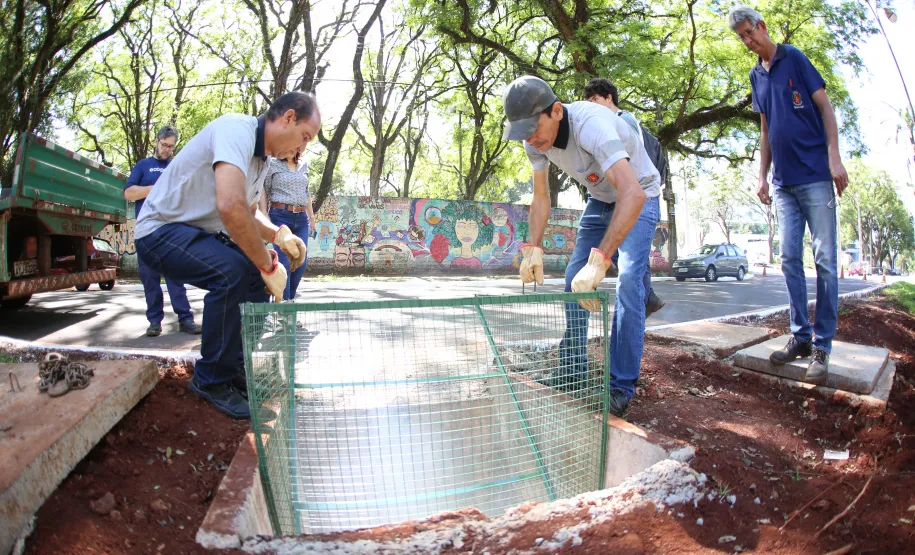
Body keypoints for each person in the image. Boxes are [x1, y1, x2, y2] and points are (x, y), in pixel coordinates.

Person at [134, 91, 320, 419]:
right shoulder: (237, 130)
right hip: (158, 231)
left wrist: (279, 234)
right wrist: (267, 264)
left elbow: (250, 210)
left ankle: (232, 368)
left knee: (252, 275)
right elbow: (231, 207)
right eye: (304, 137)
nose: (301, 149)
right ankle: (211, 380)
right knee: (232, 270)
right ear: (288, 118)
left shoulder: (261, 161)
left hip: (193, 233)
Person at [503, 75, 661, 418]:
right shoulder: (534, 142)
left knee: (629, 282)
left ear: (557, 111)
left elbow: (632, 193)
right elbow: (541, 197)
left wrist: (601, 260)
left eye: (533, 128)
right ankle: (573, 369)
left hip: (640, 193)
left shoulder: (591, 126)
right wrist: (534, 248)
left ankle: (621, 387)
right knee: (572, 279)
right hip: (601, 199)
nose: (530, 139)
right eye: (523, 132)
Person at [728, 6, 848, 384]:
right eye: (741, 37)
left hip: (815, 177)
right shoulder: (755, 76)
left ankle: (823, 345)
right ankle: (801, 337)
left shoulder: (793, 57)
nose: (748, 41)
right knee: (790, 259)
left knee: (825, 260)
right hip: (783, 184)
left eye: (749, 32)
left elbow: (825, 107)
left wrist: (834, 158)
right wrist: (761, 177)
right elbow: (765, 129)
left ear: (762, 26)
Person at [582, 78, 666, 317]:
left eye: (595, 99)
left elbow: (632, 156)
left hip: (635, 192)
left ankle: (646, 297)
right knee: (628, 253)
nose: (592, 105)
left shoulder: (623, 120)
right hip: (619, 193)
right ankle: (647, 296)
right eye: (588, 102)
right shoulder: (601, 124)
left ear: (609, 97)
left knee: (631, 257)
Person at [124, 126, 201, 337]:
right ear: (156, 141)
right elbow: (129, 193)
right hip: (146, 232)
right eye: (164, 145)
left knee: (176, 277)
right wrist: (154, 189)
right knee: (149, 278)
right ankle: (154, 322)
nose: (167, 149)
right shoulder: (143, 166)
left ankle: (185, 319)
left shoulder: (175, 167)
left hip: (170, 231)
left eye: (171, 147)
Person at [260, 153, 315, 300]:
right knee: (284, 262)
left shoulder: (304, 165)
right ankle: (286, 307)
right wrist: (264, 213)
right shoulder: (273, 163)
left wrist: (312, 217)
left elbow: (307, 193)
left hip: (301, 218)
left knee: (301, 261)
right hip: (280, 215)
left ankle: (287, 301)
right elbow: (263, 189)